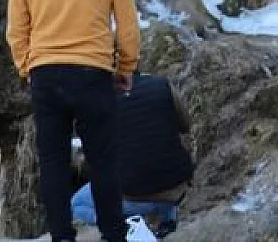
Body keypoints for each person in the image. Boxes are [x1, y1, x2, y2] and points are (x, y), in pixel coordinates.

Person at [6, 0, 141, 242]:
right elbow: (127, 26)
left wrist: (27, 67)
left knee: (52, 162)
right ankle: (113, 235)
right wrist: (125, 68)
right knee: (103, 162)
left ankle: (62, 236)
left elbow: (16, 30)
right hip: (93, 73)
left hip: (46, 74)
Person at [70, 74, 194, 239]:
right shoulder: (162, 85)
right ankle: (168, 220)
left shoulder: (98, 101)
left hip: (133, 196)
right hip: (176, 189)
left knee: (78, 203)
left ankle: (124, 225)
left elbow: (94, 159)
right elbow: (186, 125)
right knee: (159, 162)